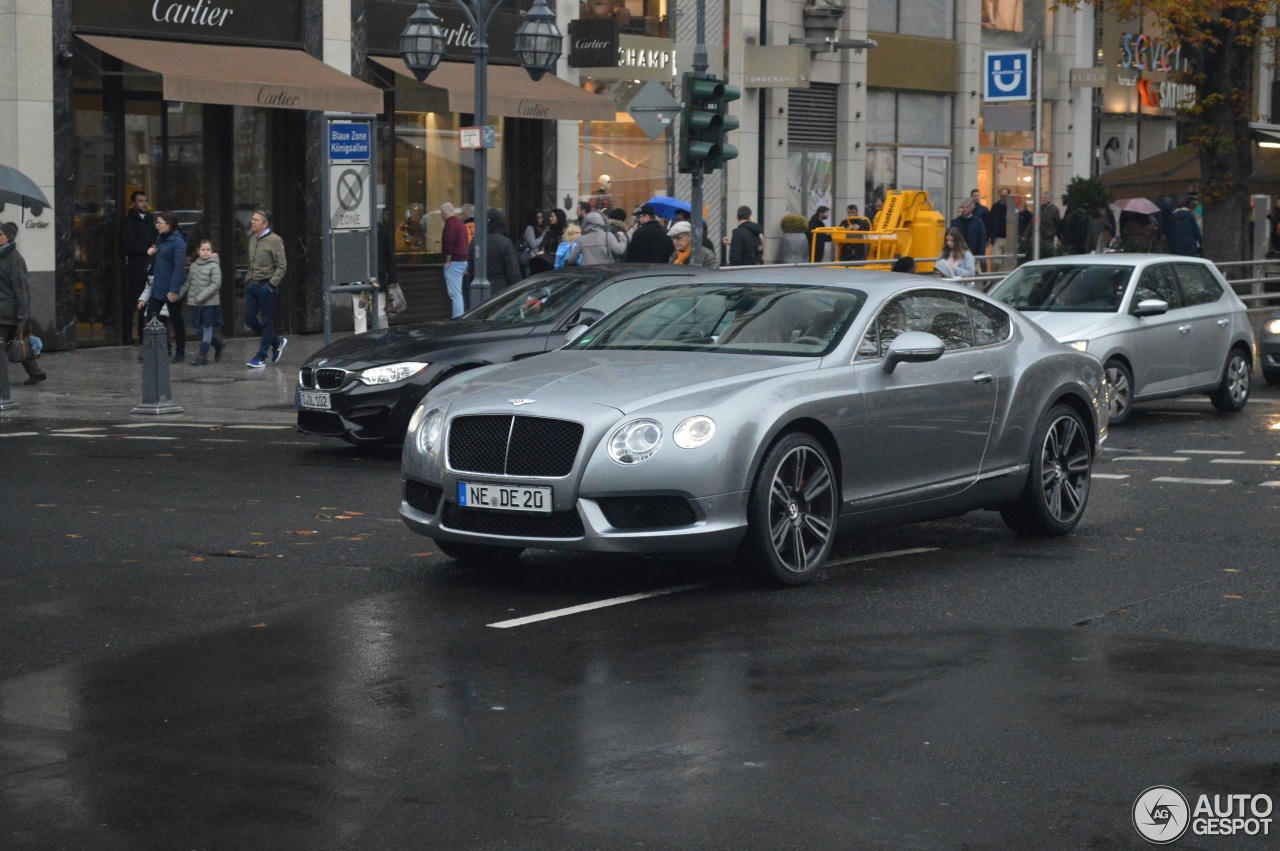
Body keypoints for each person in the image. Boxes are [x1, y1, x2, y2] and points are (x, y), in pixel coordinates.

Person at [0, 221, 46, 385]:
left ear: (8, 238)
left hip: (8, 312)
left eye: (0, 234)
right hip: (6, 311)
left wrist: (23, 314)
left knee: (5, 345)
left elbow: (21, 288)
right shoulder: (2, 256)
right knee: (18, 343)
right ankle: (36, 372)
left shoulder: (14, 259)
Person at [243, 207, 287, 368]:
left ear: (265, 223)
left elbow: (282, 265)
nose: (252, 222)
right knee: (249, 319)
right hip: (252, 285)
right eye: (252, 219)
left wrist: (271, 285)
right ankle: (276, 341)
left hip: (266, 286)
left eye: (256, 220)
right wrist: (248, 281)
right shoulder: (253, 238)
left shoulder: (275, 240)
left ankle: (261, 356)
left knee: (267, 321)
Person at [145, 211, 189, 363]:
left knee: (176, 320)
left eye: (159, 223)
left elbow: (179, 268)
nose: (157, 226)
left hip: (171, 287)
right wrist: (152, 252)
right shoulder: (161, 239)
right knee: (151, 317)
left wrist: (174, 290)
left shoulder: (178, 242)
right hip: (158, 286)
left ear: (169, 225)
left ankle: (180, 352)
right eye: (156, 223)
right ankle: (156, 350)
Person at [120, 190, 154, 346]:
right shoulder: (129, 222)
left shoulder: (149, 220)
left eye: (145, 200)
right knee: (133, 300)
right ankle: (127, 335)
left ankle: (142, 334)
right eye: (140, 201)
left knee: (146, 301)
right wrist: (145, 250)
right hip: (136, 266)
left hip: (149, 265)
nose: (144, 203)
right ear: (133, 204)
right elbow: (127, 245)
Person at [468, 207, 523, 297]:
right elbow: (513, 272)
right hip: (501, 289)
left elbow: (471, 268)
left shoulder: (476, 242)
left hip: (479, 290)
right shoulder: (504, 242)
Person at [186, 239, 225, 365]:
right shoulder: (193, 266)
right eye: (203, 250)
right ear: (198, 251)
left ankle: (202, 355)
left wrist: (201, 296)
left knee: (207, 328)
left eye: (208, 250)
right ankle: (218, 343)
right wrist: (177, 293)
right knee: (198, 329)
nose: (206, 252)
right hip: (197, 304)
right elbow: (188, 282)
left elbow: (216, 284)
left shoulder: (214, 266)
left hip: (209, 303)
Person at [439, 202, 468, 318]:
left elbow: (448, 244)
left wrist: (447, 261)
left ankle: (457, 318)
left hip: (454, 262)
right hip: (463, 260)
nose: (441, 215)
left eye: (441, 213)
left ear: (444, 213)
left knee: (455, 294)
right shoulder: (460, 223)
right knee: (458, 293)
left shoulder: (449, 224)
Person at [949, 200, 988, 265]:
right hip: (959, 252)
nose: (964, 209)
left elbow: (982, 238)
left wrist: (981, 254)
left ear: (972, 209)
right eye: (963, 207)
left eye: (967, 207)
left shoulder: (978, 222)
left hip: (974, 252)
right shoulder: (956, 222)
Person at [985, 187, 1011, 270]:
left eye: (1005, 196)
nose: (1003, 198)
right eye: (1002, 196)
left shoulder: (1012, 207)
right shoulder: (995, 207)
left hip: (1009, 238)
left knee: (1008, 262)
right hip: (997, 238)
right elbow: (990, 221)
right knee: (996, 262)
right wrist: (989, 236)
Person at [519, 209, 546, 278]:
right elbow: (533, 244)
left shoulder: (540, 228)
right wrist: (542, 236)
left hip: (538, 258)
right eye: (538, 217)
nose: (541, 219)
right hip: (530, 258)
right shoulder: (529, 228)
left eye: (541, 217)